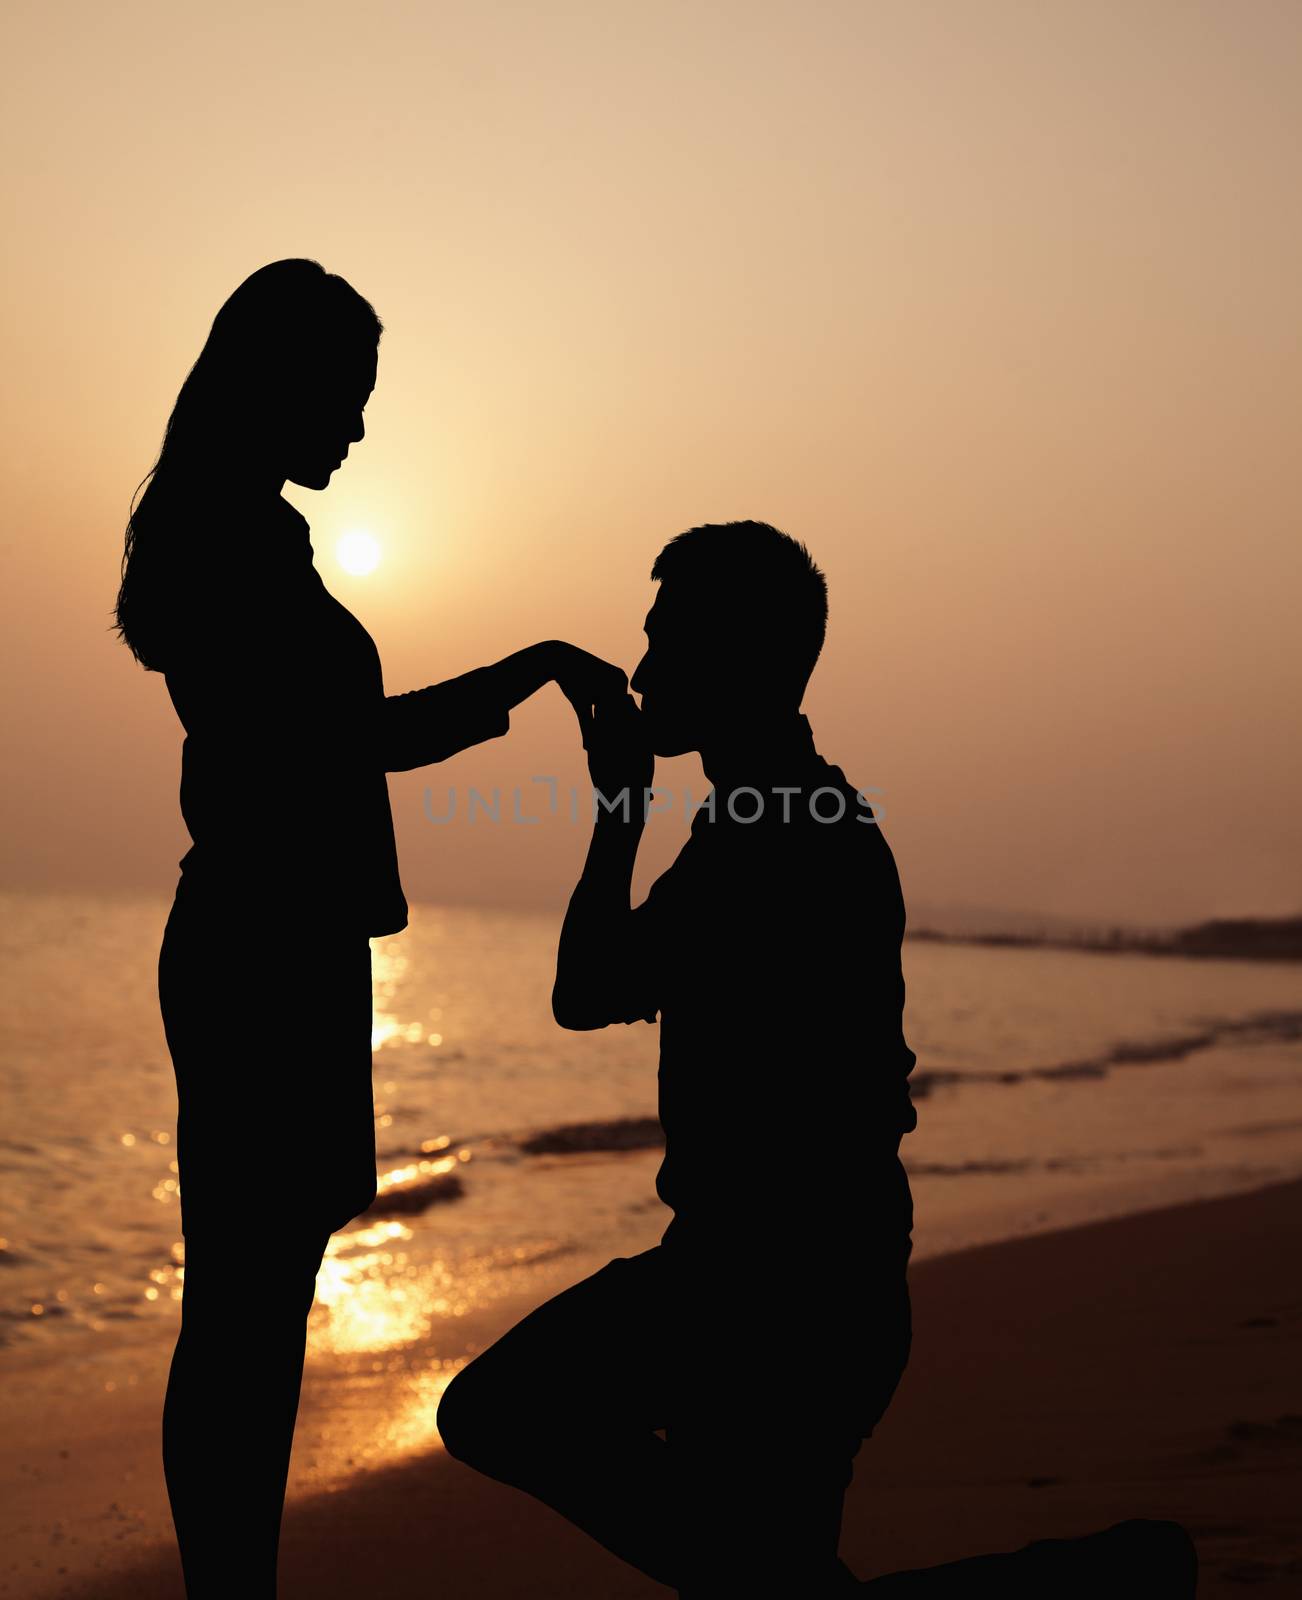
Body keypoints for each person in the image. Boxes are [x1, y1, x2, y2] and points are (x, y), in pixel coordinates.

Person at [113, 257, 622, 1599]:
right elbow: (350, 738)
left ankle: (239, 1584)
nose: (354, 428)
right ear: (274, 386)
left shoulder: (240, 533)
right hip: (261, 948)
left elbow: (348, 742)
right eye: (343, 398)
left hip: (287, 940)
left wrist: (536, 670)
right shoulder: (225, 538)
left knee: (258, 1298)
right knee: (242, 1305)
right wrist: (538, 671)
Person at [437, 520, 918, 1596]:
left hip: (769, 1293)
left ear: (731, 659)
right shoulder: (781, 818)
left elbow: (584, 990)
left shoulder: (775, 838)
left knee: (497, 1411)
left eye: (664, 644)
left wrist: (617, 815)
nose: (644, 671)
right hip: (814, 1283)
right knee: (763, 1569)